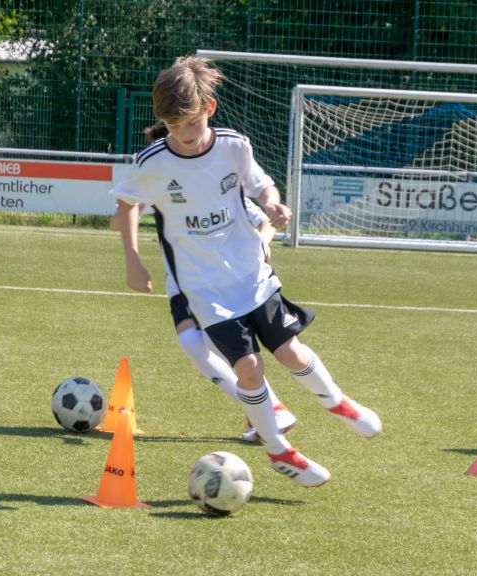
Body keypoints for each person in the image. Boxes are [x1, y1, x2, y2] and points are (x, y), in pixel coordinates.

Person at [111, 56, 381, 487]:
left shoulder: (234, 147)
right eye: (174, 126)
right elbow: (126, 206)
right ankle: (278, 450)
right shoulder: (153, 162)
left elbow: (262, 186)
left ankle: (338, 403)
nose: (184, 135)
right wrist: (132, 257)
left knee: (290, 352)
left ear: (210, 109)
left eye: (192, 124)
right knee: (250, 369)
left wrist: (273, 205)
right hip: (203, 287)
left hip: (251, 273)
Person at [110, 121, 296, 443]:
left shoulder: (215, 186)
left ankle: (266, 408)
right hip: (185, 279)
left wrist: (263, 241)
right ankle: (265, 408)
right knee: (193, 342)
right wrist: (130, 207)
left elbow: (263, 219)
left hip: (222, 277)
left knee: (206, 342)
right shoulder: (158, 180)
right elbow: (119, 219)